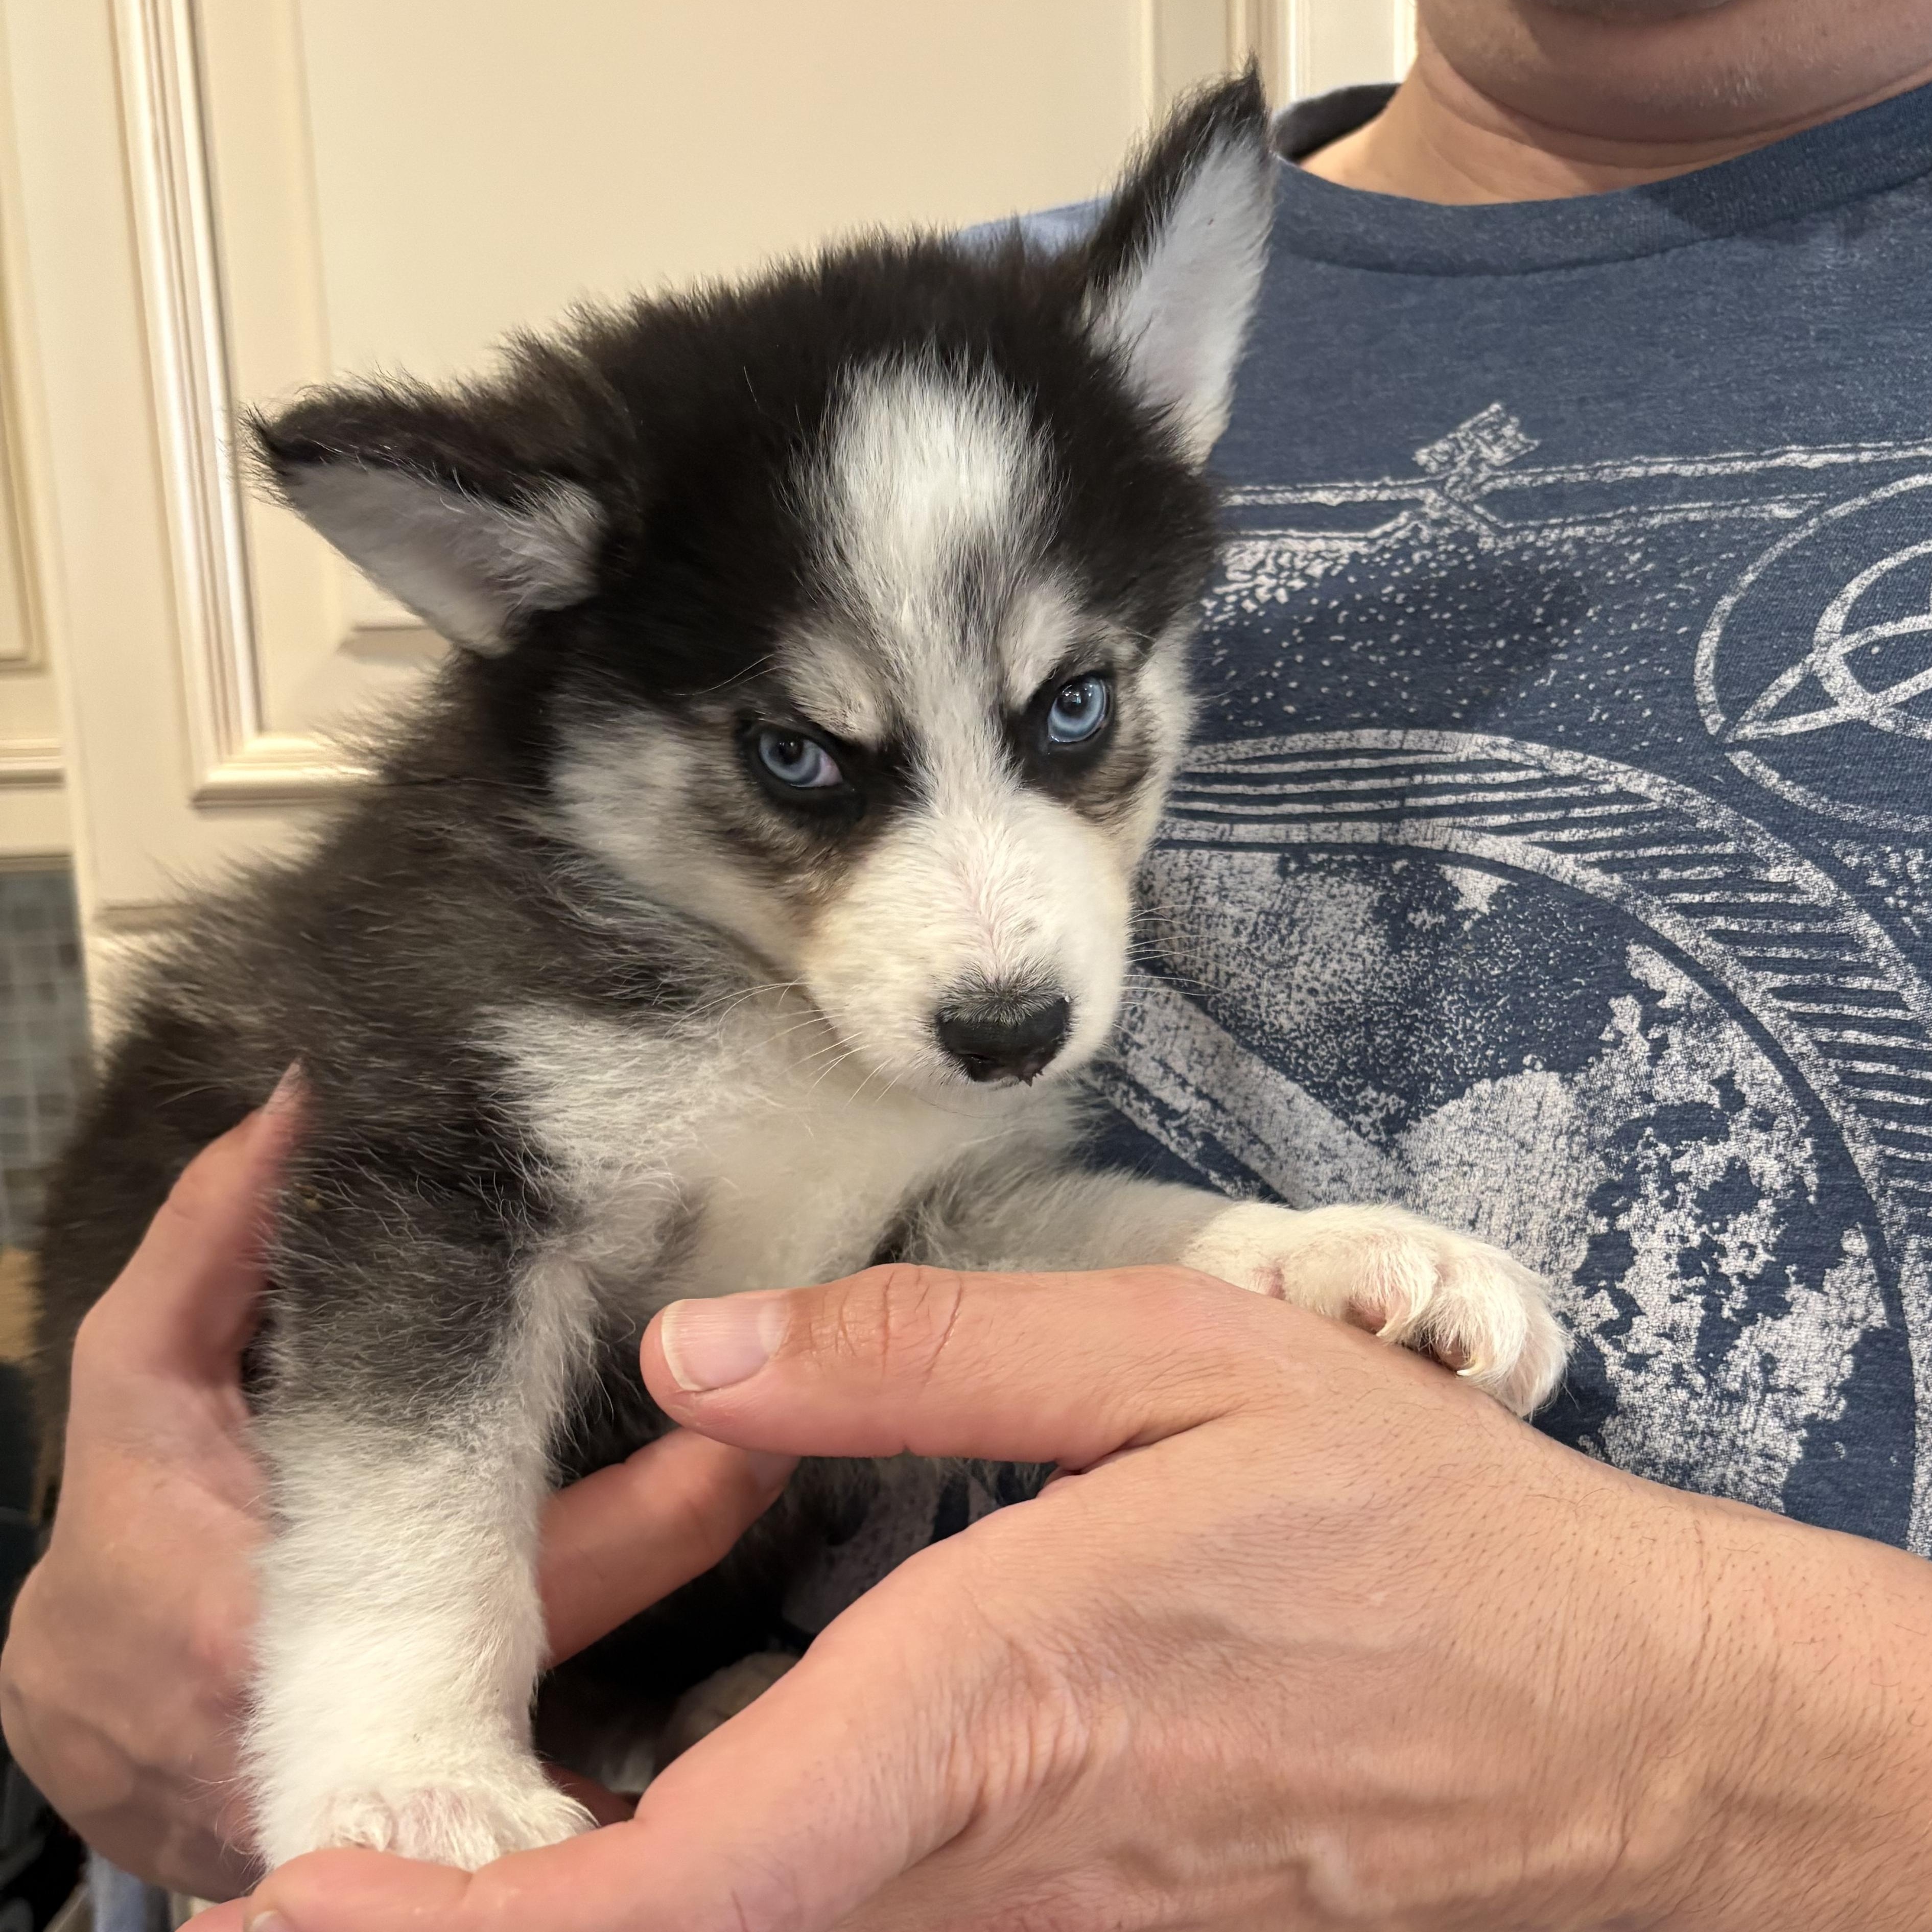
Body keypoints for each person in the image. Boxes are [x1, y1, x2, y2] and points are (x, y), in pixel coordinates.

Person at [16, 0, 1932, 1922]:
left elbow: (912, 1244)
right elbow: (540, 1265)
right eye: (800, 761)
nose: (996, 947)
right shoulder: (912, 345)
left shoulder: (1077, 384)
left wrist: (1694, 1744)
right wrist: (221, 1683)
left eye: (1075, 712)